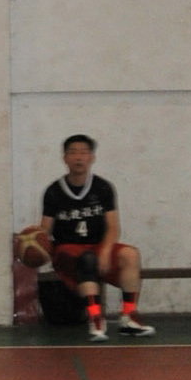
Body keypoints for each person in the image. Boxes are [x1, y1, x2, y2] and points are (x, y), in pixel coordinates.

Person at [24, 134, 154, 341]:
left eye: (83, 152)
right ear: (65, 158)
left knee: (130, 254)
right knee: (88, 259)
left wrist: (106, 250)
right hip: (66, 250)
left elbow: (113, 227)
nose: (78, 157)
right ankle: (95, 318)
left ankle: (128, 316)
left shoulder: (103, 187)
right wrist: (32, 242)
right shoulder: (54, 191)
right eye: (73, 152)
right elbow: (45, 229)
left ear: (91, 157)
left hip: (97, 245)